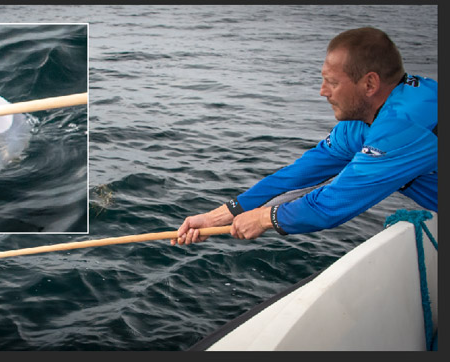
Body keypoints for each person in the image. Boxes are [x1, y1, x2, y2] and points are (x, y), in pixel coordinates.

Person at [172, 27, 437, 245]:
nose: (323, 92)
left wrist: (265, 218)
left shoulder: (405, 126)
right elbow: (300, 174)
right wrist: (219, 216)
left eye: (332, 82)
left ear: (369, 84)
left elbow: (333, 204)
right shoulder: (364, 119)